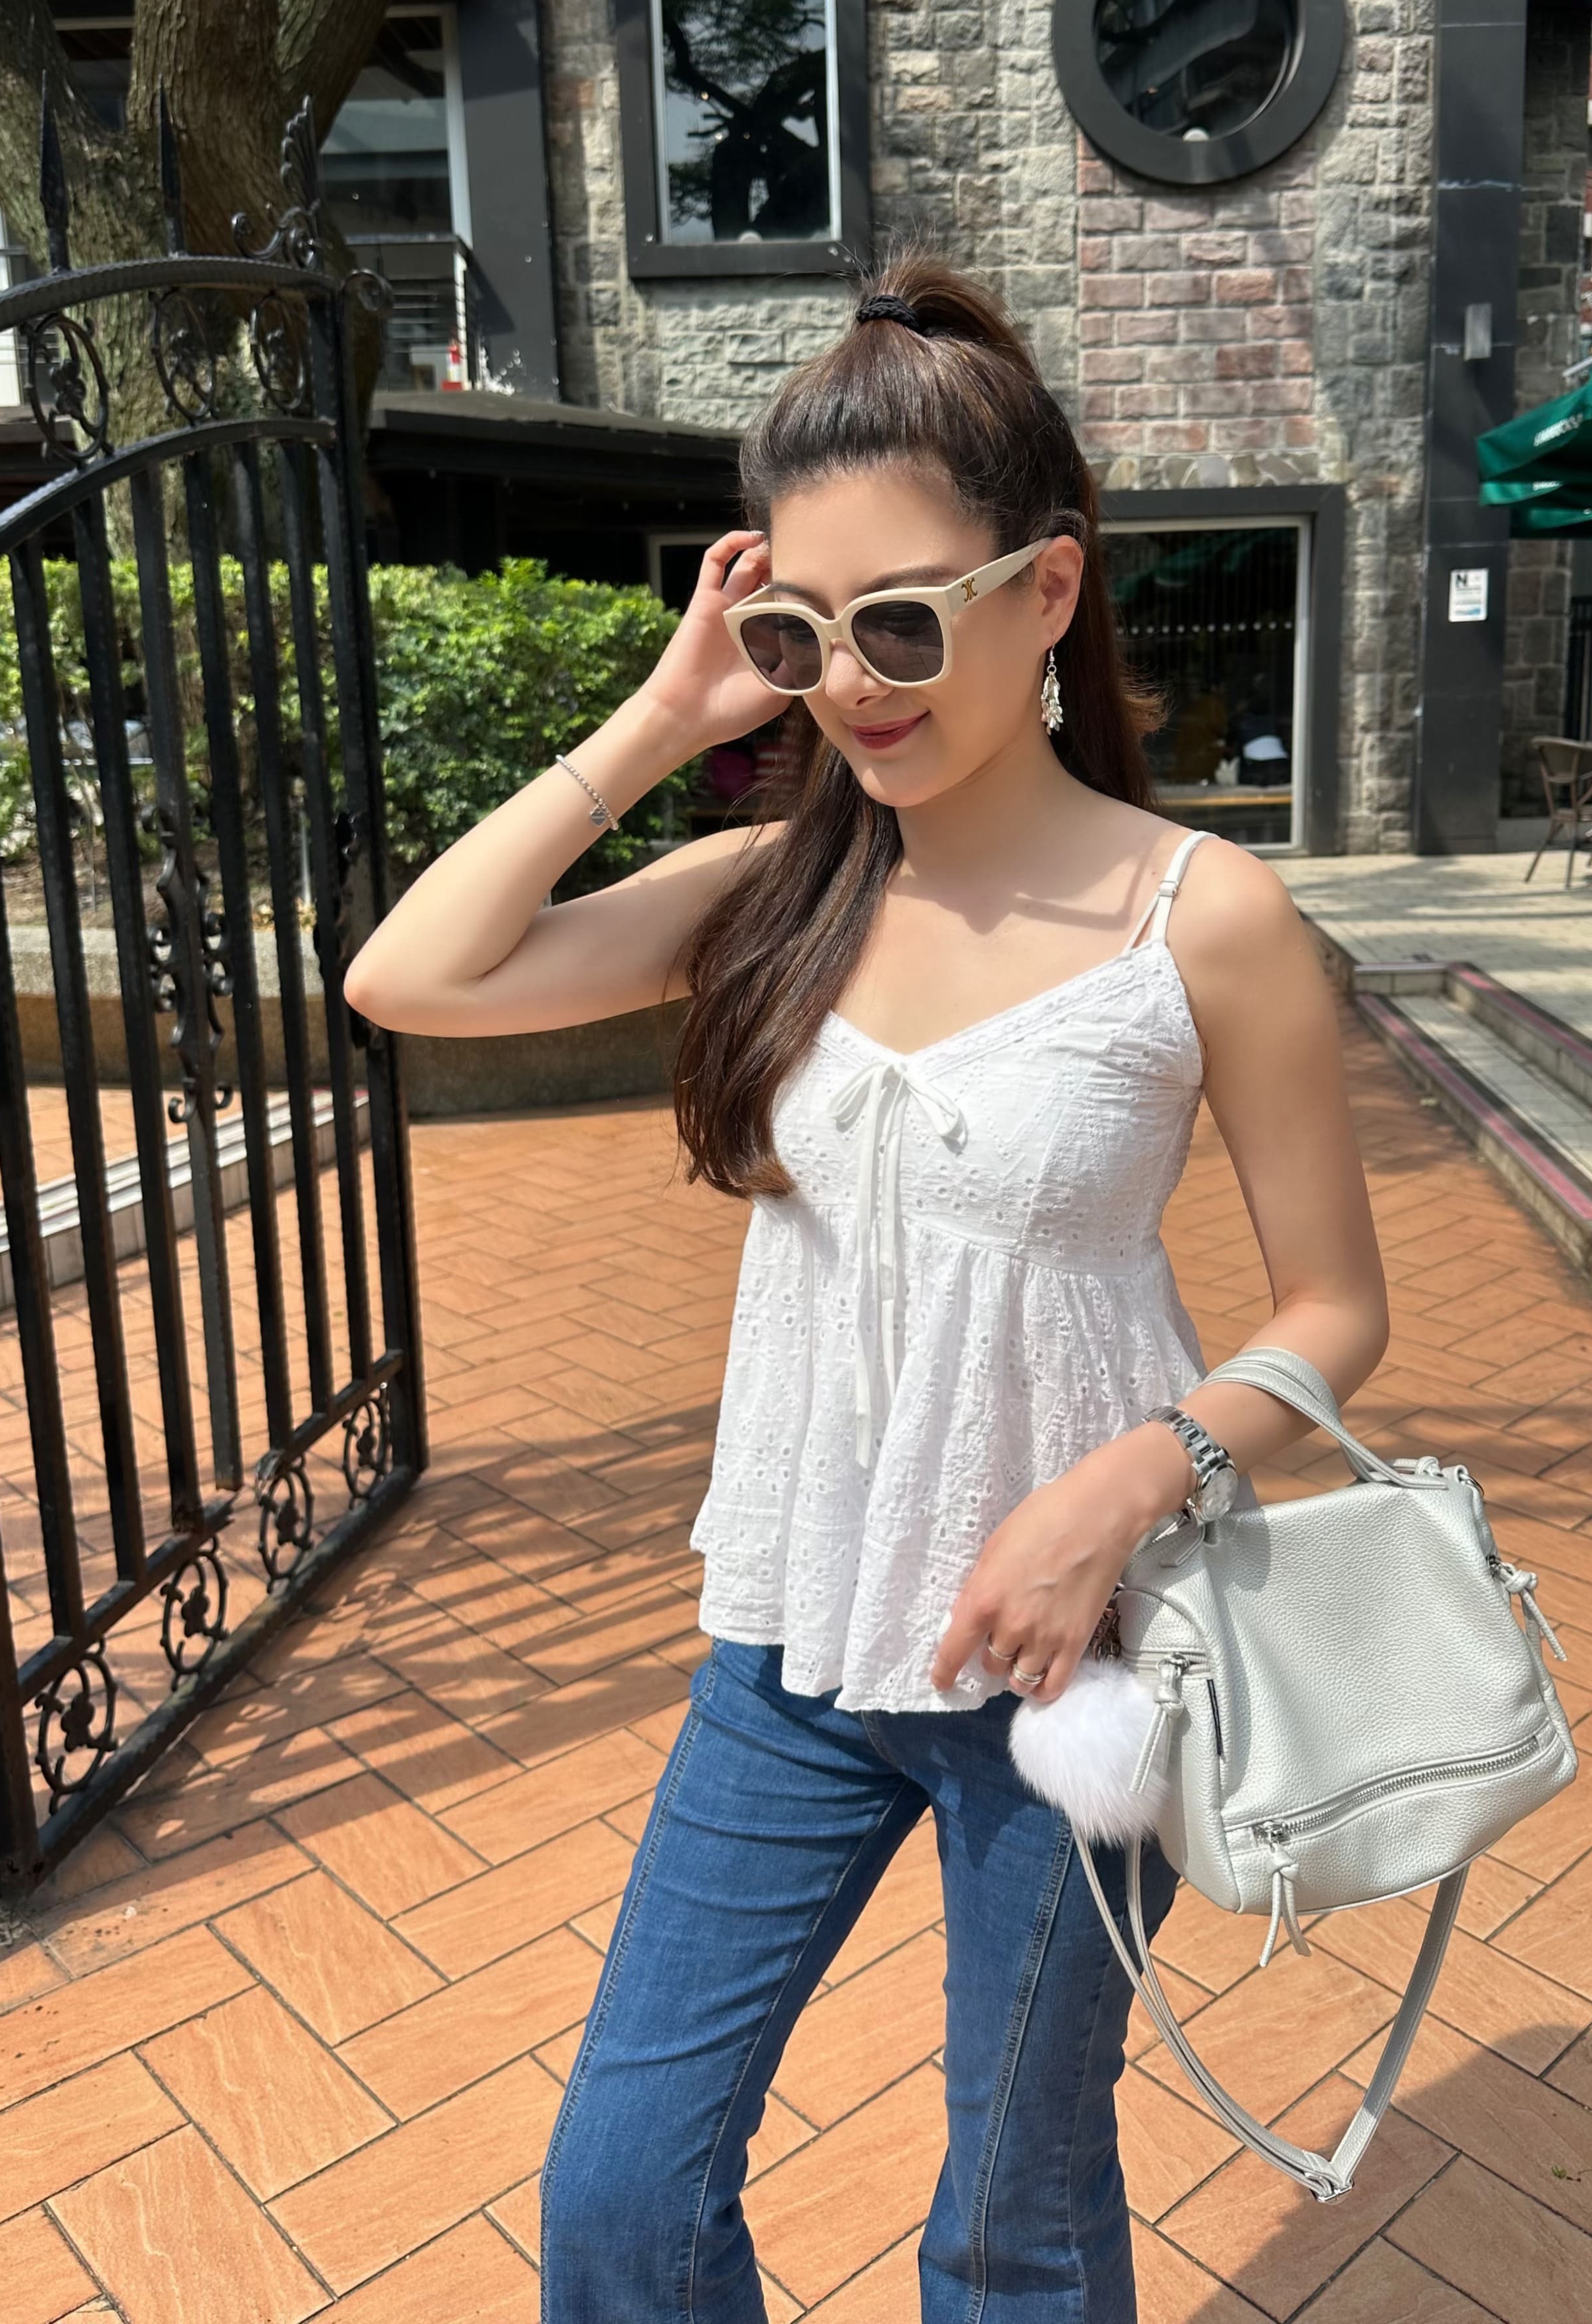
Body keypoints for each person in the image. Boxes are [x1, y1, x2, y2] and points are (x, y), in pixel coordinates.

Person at [345, 257, 1389, 2323]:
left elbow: (1335, 1312)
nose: (850, 681)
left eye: (901, 620)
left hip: (1079, 1668)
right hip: (797, 1637)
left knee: (1013, 2216)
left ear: (1048, 591)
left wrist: (1118, 1492)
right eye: (797, 632)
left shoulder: (1206, 920)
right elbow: (411, 977)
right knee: (622, 2193)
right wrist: (667, 716)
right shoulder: (777, 889)